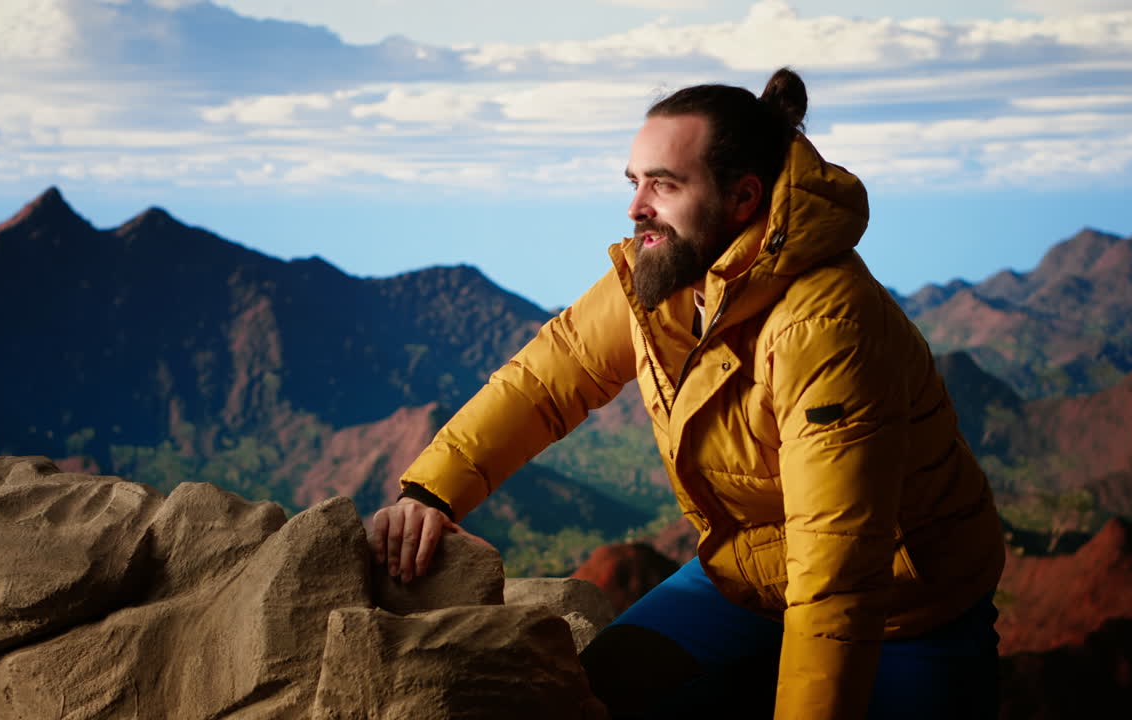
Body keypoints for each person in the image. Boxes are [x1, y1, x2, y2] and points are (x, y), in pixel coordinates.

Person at [368, 68, 1005, 720]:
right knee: (589, 700)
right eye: (635, 182)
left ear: (743, 197)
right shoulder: (666, 275)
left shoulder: (824, 326)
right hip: (746, 576)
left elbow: (836, 574)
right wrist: (432, 492)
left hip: (906, 608)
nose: (636, 207)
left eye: (664, 185)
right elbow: (548, 378)